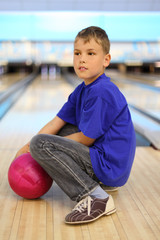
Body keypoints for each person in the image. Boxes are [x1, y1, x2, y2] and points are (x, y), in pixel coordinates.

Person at [15, 26, 136, 224]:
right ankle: (99, 183)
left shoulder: (102, 91)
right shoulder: (82, 90)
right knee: (46, 139)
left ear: (106, 60)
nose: (82, 59)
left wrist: (42, 148)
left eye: (90, 53)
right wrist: (28, 148)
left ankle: (96, 197)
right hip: (105, 160)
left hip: (110, 166)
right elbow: (57, 122)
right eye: (77, 53)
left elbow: (86, 138)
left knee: (42, 144)